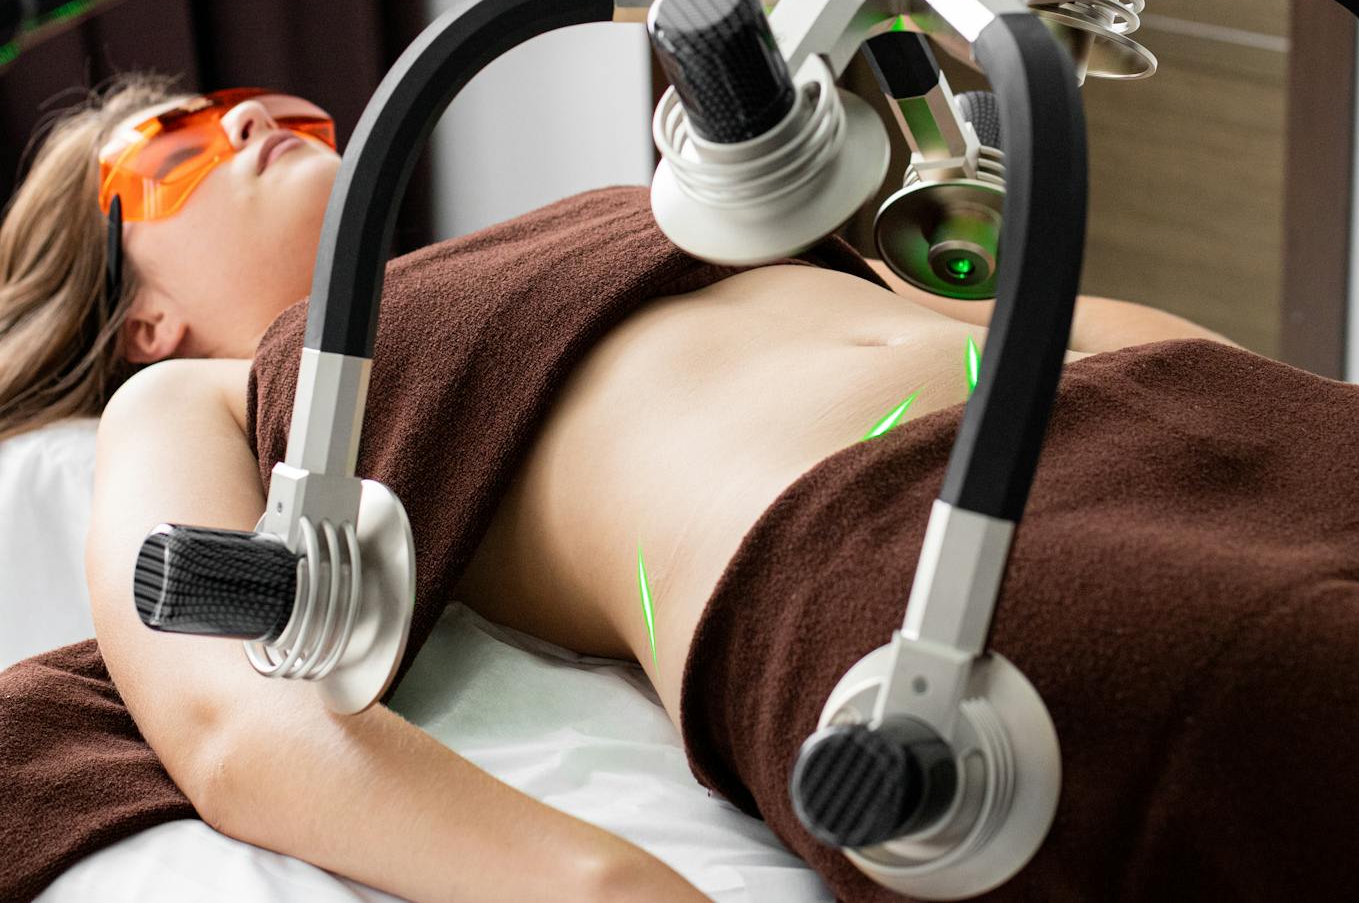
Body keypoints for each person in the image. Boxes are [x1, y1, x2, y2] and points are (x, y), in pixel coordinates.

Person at [0, 73, 1221, 900]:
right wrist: (615, 888)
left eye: (260, 106)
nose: (252, 119)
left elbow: (979, 315)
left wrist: (1260, 394)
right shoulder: (189, 403)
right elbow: (236, 726)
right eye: (166, 151)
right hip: (954, 567)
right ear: (141, 317)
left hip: (1188, 431)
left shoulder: (574, 227)